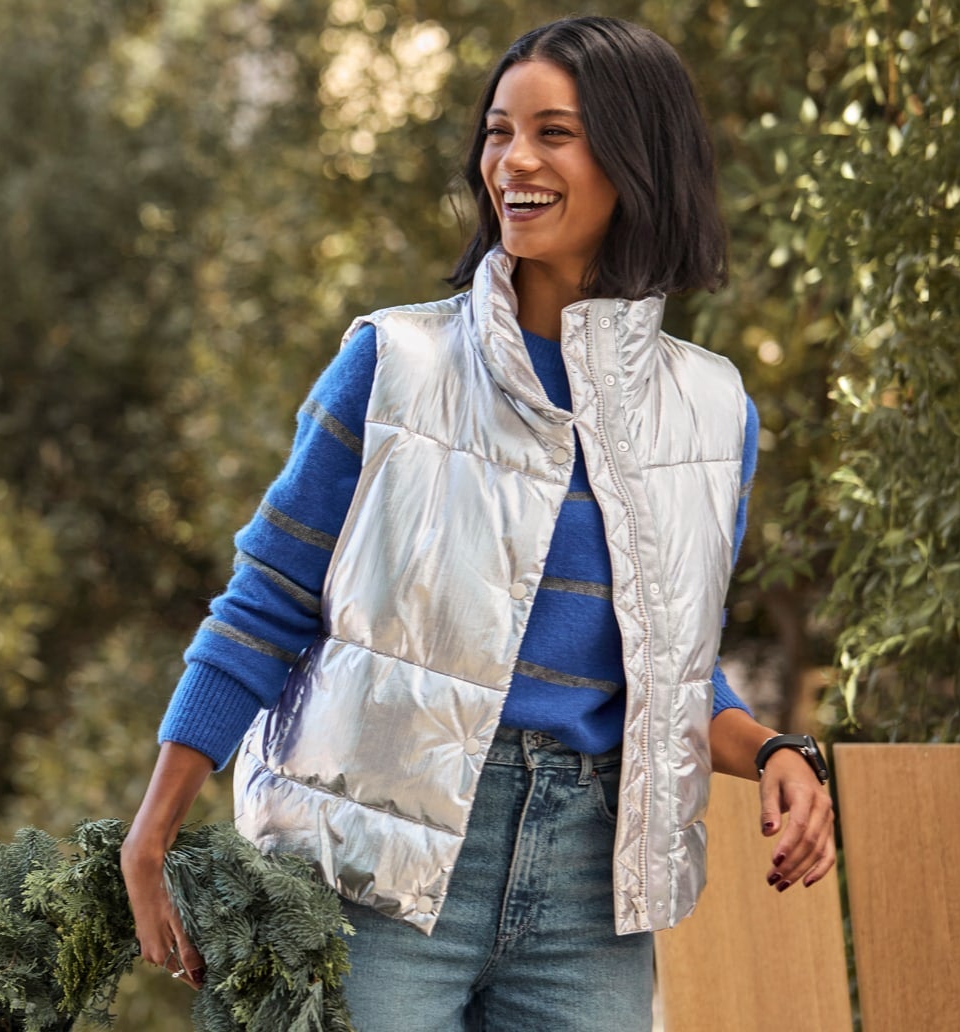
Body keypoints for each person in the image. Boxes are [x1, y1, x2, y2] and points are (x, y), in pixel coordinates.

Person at [118, 15, 836, 1030]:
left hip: (590, 895)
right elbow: (262, 605)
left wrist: (772, 752)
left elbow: (668, 673)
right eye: (499, 132)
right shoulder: (392, 367)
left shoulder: (712, 414)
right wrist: (148, 834)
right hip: (368, 871)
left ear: (638, 159)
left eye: (554, 132)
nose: (513, 161)